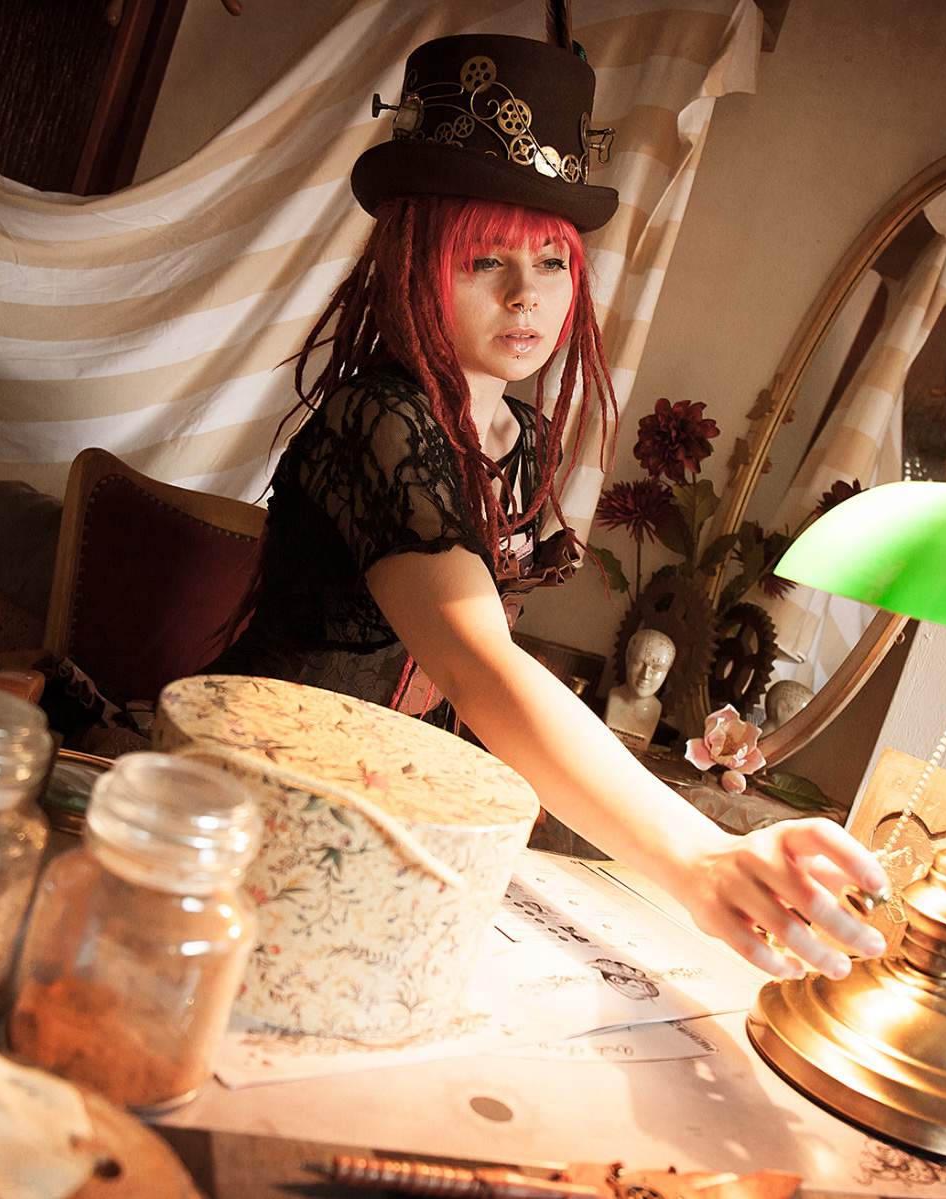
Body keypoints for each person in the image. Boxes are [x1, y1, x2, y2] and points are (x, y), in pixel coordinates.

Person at [204, 29, 889, 979]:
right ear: (413, 264)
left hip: (387, 805)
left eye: (552, 261)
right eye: (485, 260)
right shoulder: (379, 419)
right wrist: (700, 856)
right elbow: (477, 663)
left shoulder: (521, 437)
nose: (527, 296)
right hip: (260, 790)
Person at [604, 627, 675, 745]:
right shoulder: (614, 696)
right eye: (639, 663)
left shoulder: (655, 709)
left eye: (657, 668)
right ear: (628, 659)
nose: (645, 675)